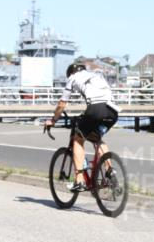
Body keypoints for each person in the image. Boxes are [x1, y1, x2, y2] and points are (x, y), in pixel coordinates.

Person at [43, 62, 120, 192]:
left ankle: (79, 181)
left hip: (96, 109)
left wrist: (53, 120)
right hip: (112, 111)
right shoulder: (96, 75)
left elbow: (62, 104)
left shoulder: (73, 77)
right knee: (97, 138)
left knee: (78, 140)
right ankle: (110, 171)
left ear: (70, 73)